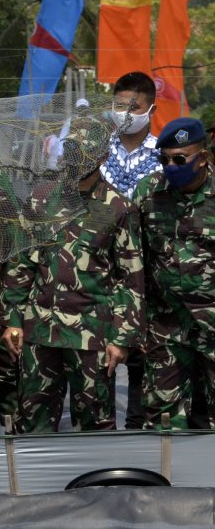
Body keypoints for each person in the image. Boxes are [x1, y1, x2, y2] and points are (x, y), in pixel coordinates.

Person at [2, 139, 144, 432]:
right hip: (39, 331)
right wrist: (12, 320)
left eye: (84, 155)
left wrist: (121, 338)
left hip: (92, 337)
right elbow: (21, 263)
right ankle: (33, 477)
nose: (76, 162)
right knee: (32, 421)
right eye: (72, 155)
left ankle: (96, 480)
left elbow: (130, 279)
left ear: (102, 155)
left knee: (95, 422)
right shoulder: (41, 199)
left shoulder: (119, 207)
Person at [134, 116, 215, 430]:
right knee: (162, 421)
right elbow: (131, 256)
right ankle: (170, 478)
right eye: (163, 158)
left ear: (203, 158)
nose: (171, 165)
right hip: (166, 326)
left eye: (180, 159)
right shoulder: (149, 192)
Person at [99, 71, 159, 429]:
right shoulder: (96, 152)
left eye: (132, 107)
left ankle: (138, 431)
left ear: (150, 108)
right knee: (99, 360)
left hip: (148, 273)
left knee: (144, 361)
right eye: (119, 106)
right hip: (101, 273)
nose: (124, 114)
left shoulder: (166, 155)